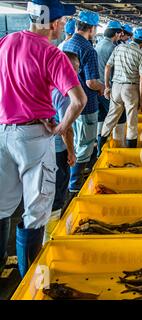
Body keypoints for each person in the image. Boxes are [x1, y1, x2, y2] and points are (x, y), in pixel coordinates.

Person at [0, 0, 86, 277]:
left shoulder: (6, 42)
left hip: (3, 133)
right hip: (34, 138)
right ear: (52, 22)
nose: (63, 26)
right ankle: (30, 279)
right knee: (36, 210)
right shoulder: (53, 54)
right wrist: (62, 126)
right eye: (62, 21)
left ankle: (1, 264)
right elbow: (78, 100)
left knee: (1, 205)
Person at [63, 11, 104, 194]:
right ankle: (75, 185)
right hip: (87, 104)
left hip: (70, 102)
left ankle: (73, 180)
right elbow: (91, 82)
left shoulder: (68, 43)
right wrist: (103, 87)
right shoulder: (88, 49)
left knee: (77, 140)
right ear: (92, 28)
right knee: (86, 143)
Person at [46, 51, 80, 243]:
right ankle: (52, 236)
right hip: (58, 148)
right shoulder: (65, 94)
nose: (76, 73)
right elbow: (66, 129)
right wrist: (71, 152)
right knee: (58, 191)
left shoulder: (47, 85)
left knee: (46, 190)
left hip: (44, 146)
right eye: (74, 69)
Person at [99, 29, 142, 150]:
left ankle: (100, 147)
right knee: (132, 120)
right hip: (131, 88)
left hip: (116, 86)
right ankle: (130, 151)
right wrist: (141, 99)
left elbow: (107, 67)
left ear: (133, 38)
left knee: (111, 116)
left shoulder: (118, 48)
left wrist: (107, 86)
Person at [95, 21, 126, 155]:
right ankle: (120, 149)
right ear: (116, 33)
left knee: (102, 117)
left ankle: (99, 150)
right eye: (120, 33)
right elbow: (117, 71)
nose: (121, 36)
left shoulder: (99, 45)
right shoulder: (114, 48)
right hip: (110, 90)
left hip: (98, 89)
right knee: (120, 117)